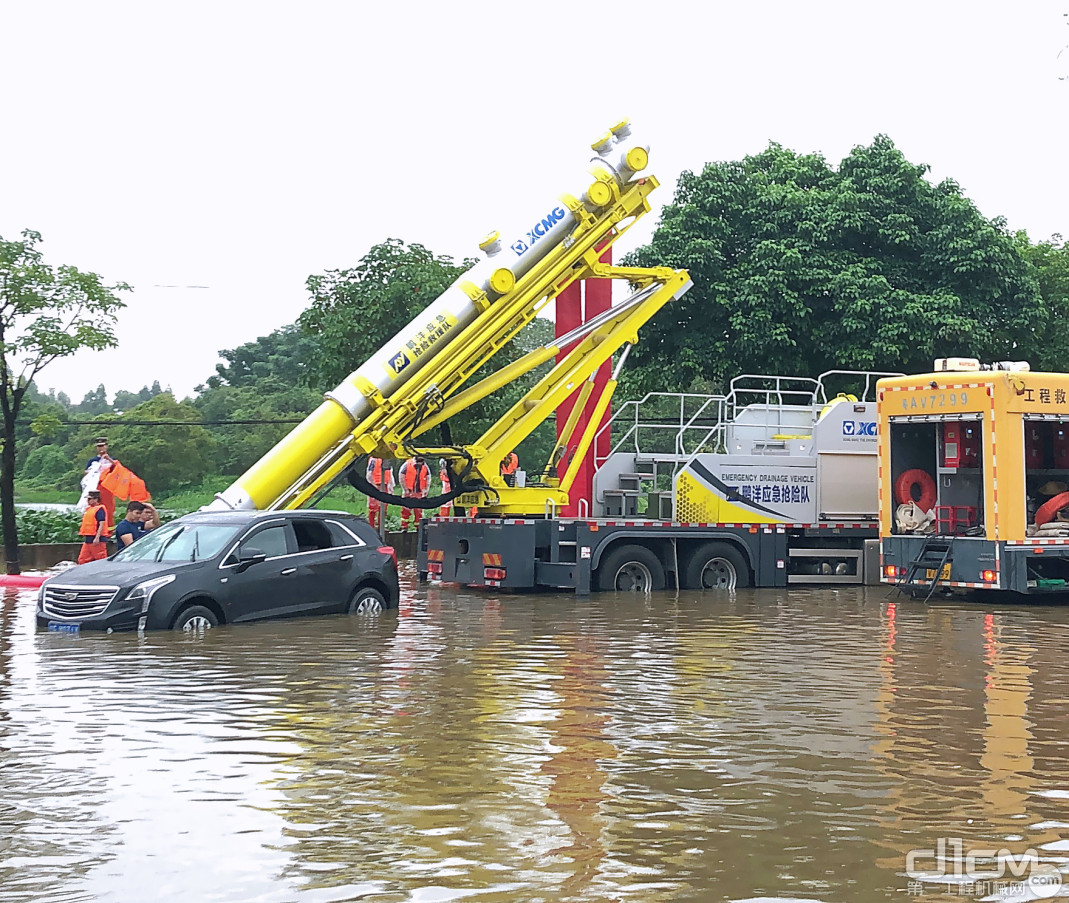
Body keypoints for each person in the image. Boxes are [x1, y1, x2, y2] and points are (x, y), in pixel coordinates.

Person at [77, 490, 112, 564]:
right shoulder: (89, 509)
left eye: (90, 499)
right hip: (88, 538)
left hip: (97, 539)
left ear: (96, 499)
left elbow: (101, 524)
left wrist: (97, 537)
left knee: (100, 559)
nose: (88, 501)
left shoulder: (100, 509)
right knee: (82, 559)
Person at [398, 455, 431, 531]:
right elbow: (401, 476)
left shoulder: (425, 467)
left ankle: (418, 527)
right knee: (405, 510)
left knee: (418, 511)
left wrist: (426, 490)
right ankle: (404, 527)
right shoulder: (407, 464)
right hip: (409, 491)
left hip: (419, 491)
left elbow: (428, 478)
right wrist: (405, 489)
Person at [365, 457, 395, 530]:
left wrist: (391, 486)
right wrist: (372, 485)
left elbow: (390, 473)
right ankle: (371, 527)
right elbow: (369, 473)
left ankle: (381, 527)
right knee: (373, 508)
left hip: (385, 485)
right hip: (375, 485)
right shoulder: (373, 460)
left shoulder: (387, 459)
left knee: (383, 508)